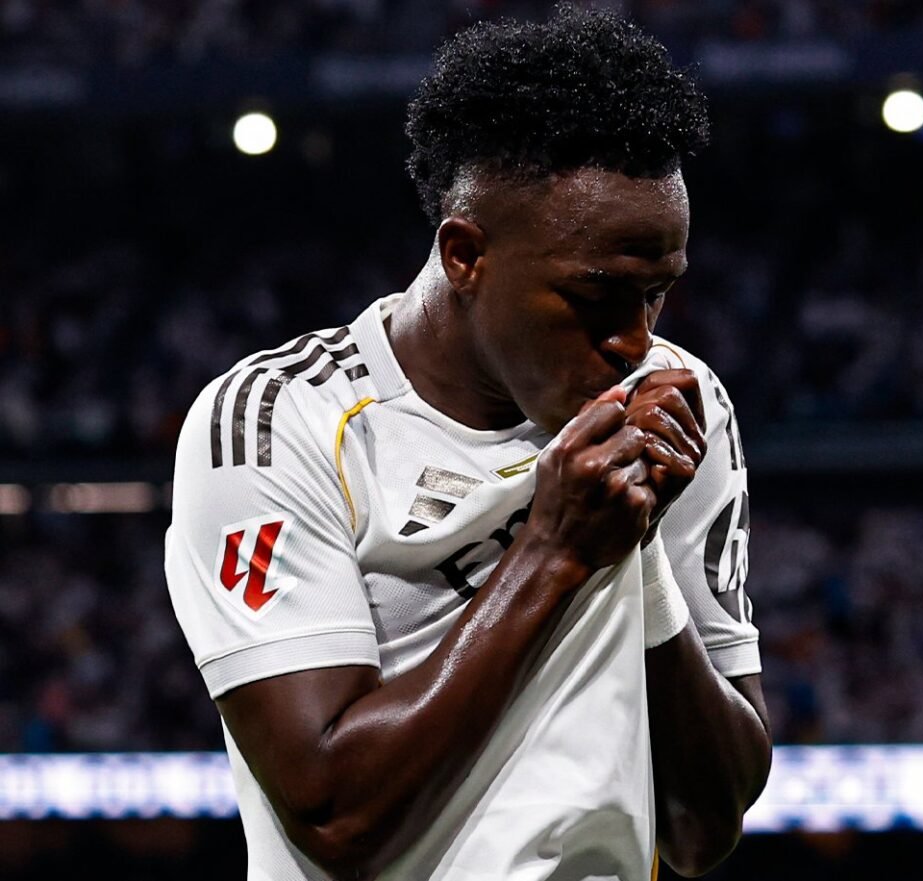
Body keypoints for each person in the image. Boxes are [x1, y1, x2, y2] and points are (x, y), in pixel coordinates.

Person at [165, 6, 770, 880]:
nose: (634, 341)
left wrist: (637, 556)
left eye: (656, 294)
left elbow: (704, 828)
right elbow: (335, 813)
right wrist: (556, 549)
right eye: (595, 296)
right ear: (464, 255)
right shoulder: (277, 421)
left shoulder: (678, 399)